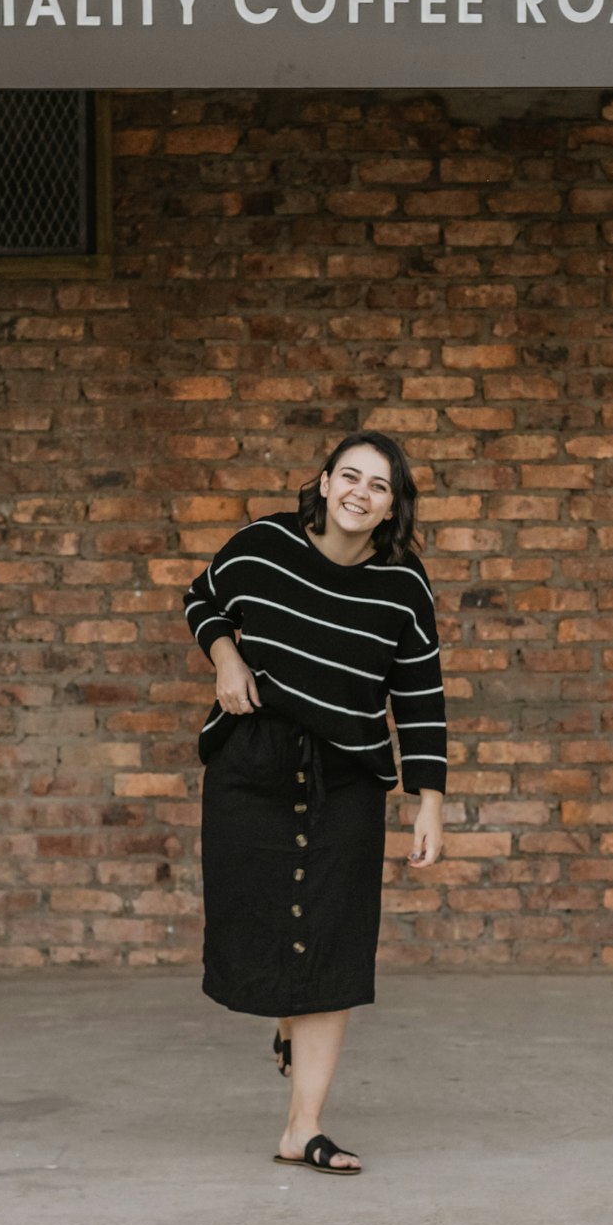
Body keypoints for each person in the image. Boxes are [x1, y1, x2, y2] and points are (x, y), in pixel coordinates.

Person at [182, 431, 446, 1175]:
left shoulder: (403, 584)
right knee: (267, 920)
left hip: (348, 777)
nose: (361, 493)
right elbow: (201, 596)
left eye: (380, 485)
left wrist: (430, 800)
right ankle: (288, 1022)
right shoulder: (263, 544)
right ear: (325, 482)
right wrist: (225, 655)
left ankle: (303, 1127)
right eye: (350, 477)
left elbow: (420, 694)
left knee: (332, 938)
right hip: (253, 765)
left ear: (394, 504)